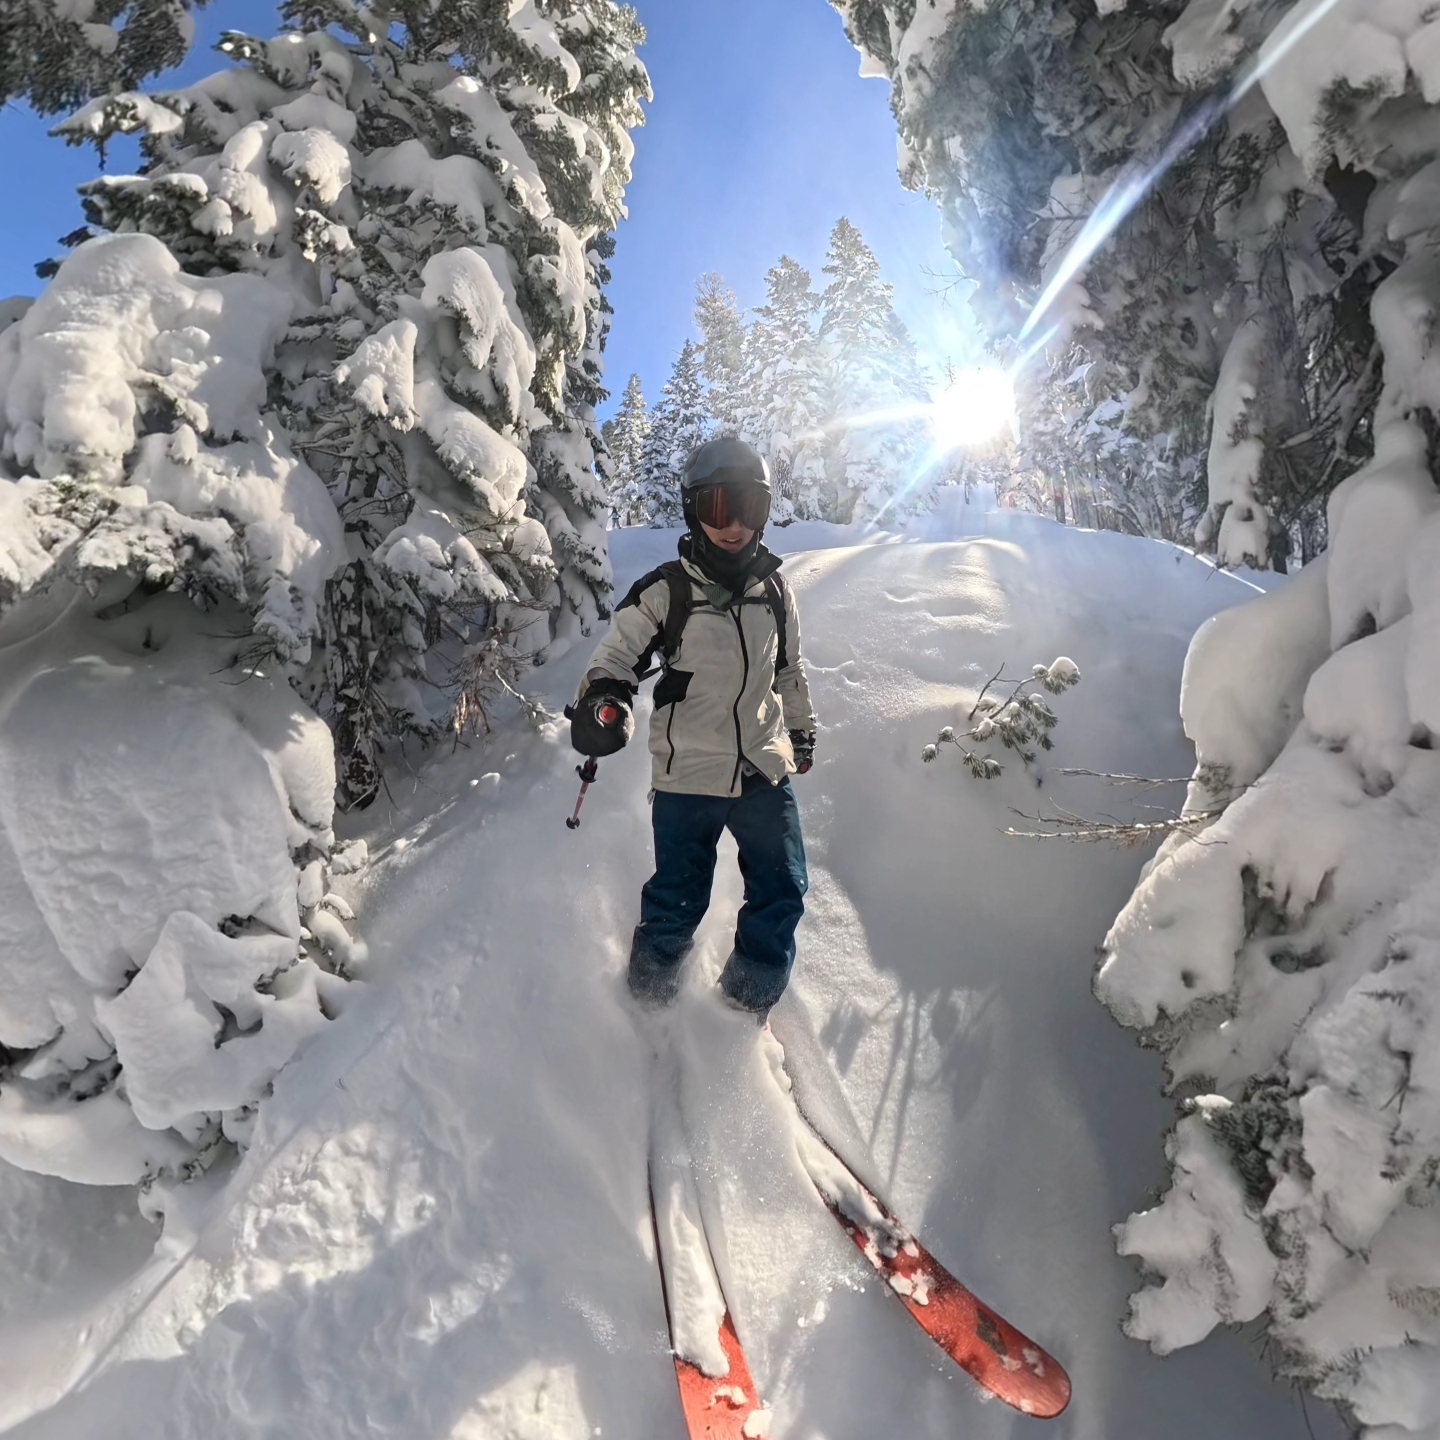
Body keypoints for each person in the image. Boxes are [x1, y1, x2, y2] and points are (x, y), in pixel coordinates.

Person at [569, 438, 817, 1014]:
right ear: (692, 510)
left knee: (782, 892)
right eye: (717, 508)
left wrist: (800, 731)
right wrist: (606, 697)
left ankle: (743, 1006)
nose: (734, 526)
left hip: (763, 765)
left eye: (749, 509)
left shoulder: (777, 592)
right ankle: (649, 1002)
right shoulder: (666, 591)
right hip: (687, 776)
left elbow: (790, 670)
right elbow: (615, 656)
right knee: (678, 899)